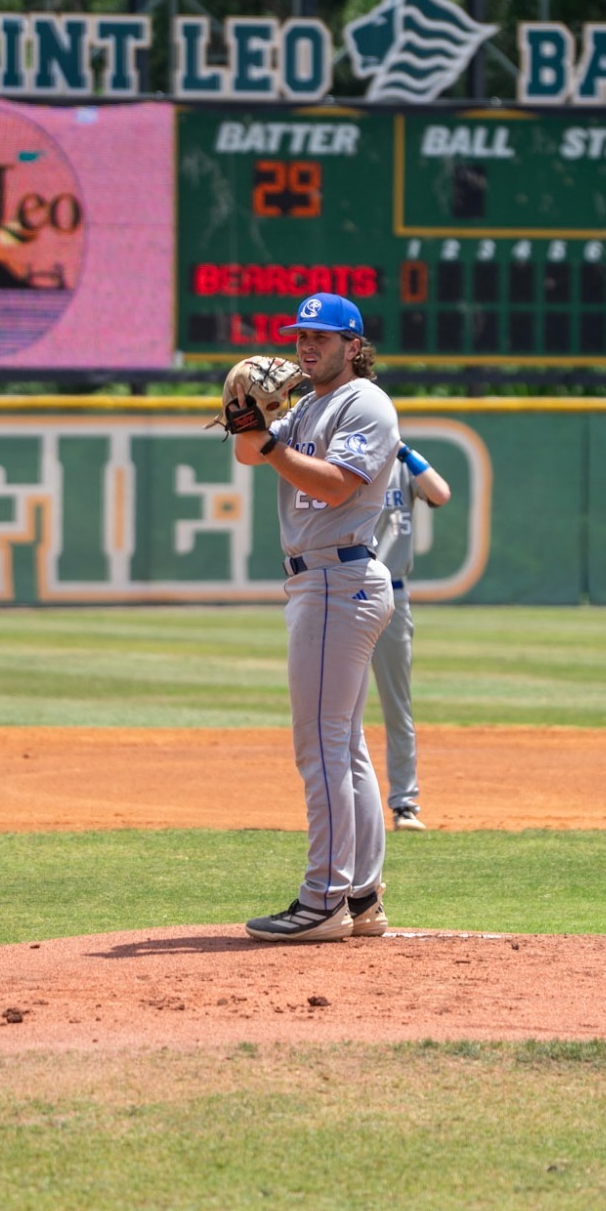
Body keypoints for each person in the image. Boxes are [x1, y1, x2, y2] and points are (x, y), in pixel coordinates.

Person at [227, 293, 398, 942]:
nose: (306, 344)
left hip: (338, 578)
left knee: (321, 745)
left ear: (353, 345)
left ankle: (321, 899)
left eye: (322, 337)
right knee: (344, 745)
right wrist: (250, 421)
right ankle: (359, 898)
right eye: (300, 334)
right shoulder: (305, 404)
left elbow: (333, 485)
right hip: (322, 582)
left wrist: (268, 438)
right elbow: (250, 455)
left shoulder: (364, 403)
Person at [371, 440, 453, 831]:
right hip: (347, 589)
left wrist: (403, 452)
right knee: (340, 709)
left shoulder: (403, 466)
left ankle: (405, 804)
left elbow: (441, 493)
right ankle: (342, 803)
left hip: (394, 592)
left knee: (396, 705)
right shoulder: (342, 461)